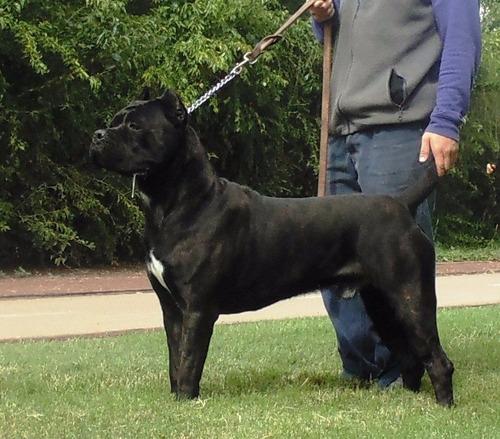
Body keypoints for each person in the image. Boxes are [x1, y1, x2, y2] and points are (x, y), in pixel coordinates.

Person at [309, 0, 481, 388]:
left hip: (400, 127)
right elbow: (335, 37)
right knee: (329, 259)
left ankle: (406, 371)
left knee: (395, 263)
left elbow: (463, 39)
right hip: (342, 132)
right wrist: (322, 18)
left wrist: (448, 120)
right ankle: (362, 367)